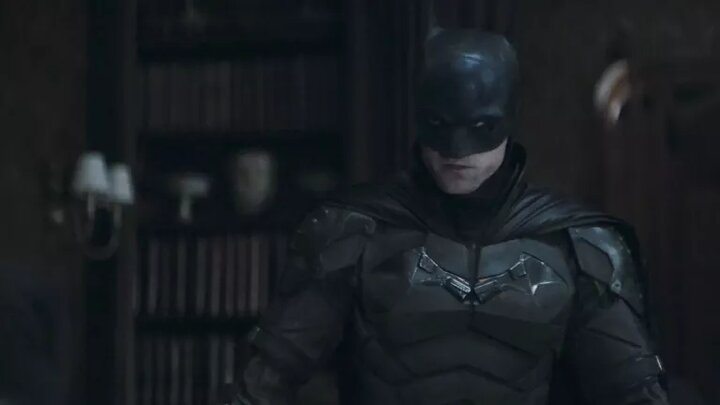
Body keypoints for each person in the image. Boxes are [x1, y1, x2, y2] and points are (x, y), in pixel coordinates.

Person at [229, 29, 669, 405]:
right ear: (420, 119)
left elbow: (634, 394)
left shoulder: (580, 246)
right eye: (440, 127)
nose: (457, 152)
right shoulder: (352, 234)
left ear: (507, 120)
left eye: (480, 129)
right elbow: (263, 384)